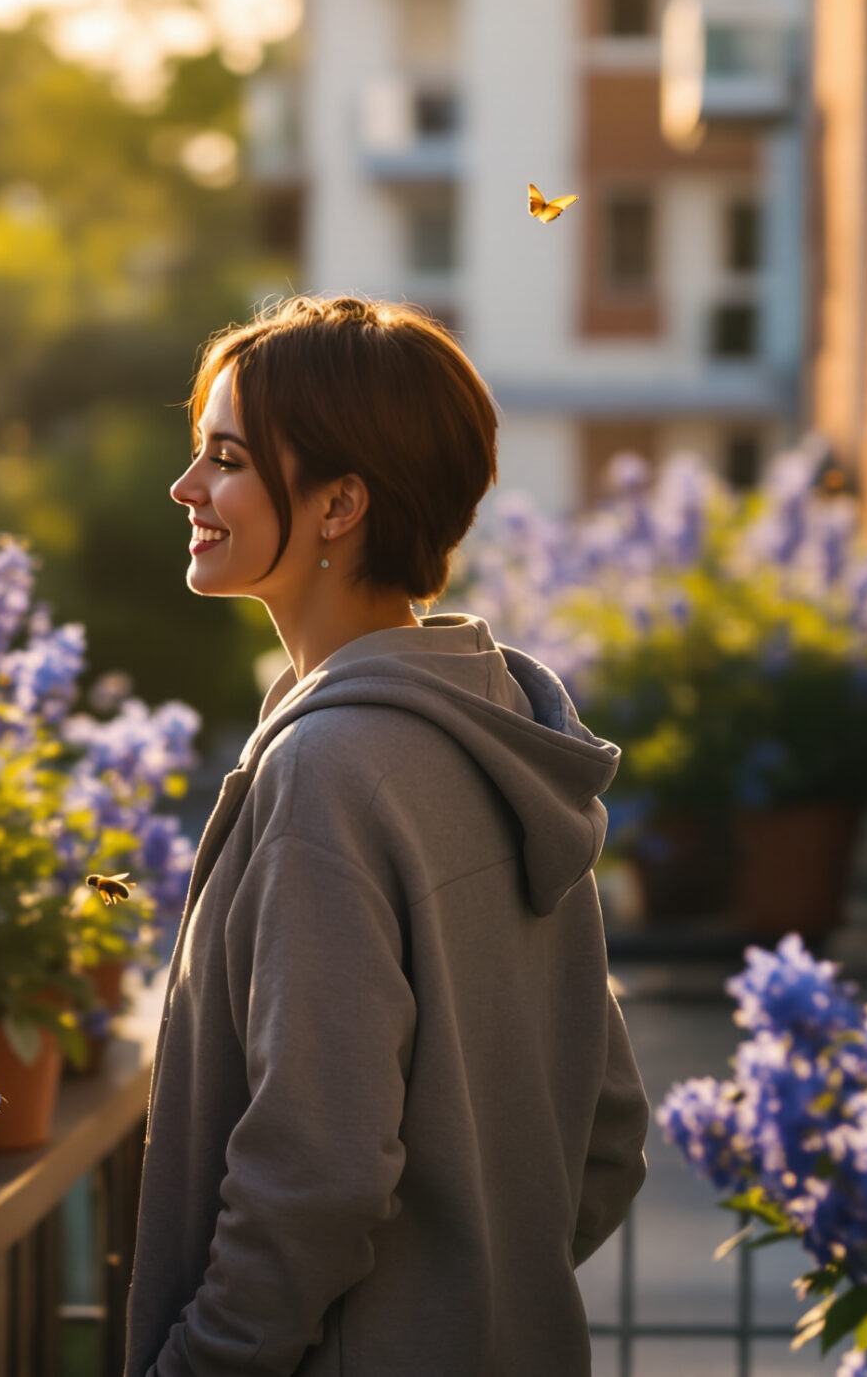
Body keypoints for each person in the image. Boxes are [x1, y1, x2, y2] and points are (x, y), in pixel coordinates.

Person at [126, 296, 648, 1377]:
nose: (186, 489)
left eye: (224, 459)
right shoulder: (497, 731)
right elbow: (605, 1137)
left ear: (338, 503)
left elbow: (313, 1170)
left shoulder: (330, 770)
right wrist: (464, 1301)